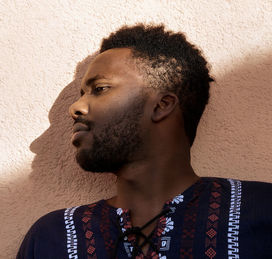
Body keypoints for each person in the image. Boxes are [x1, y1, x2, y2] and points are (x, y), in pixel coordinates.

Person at [17, 23, 272, 259]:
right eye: (82, 94)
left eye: (100, 89)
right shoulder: (52, 239)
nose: (76, 107)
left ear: (162, 105)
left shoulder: (261, 212)